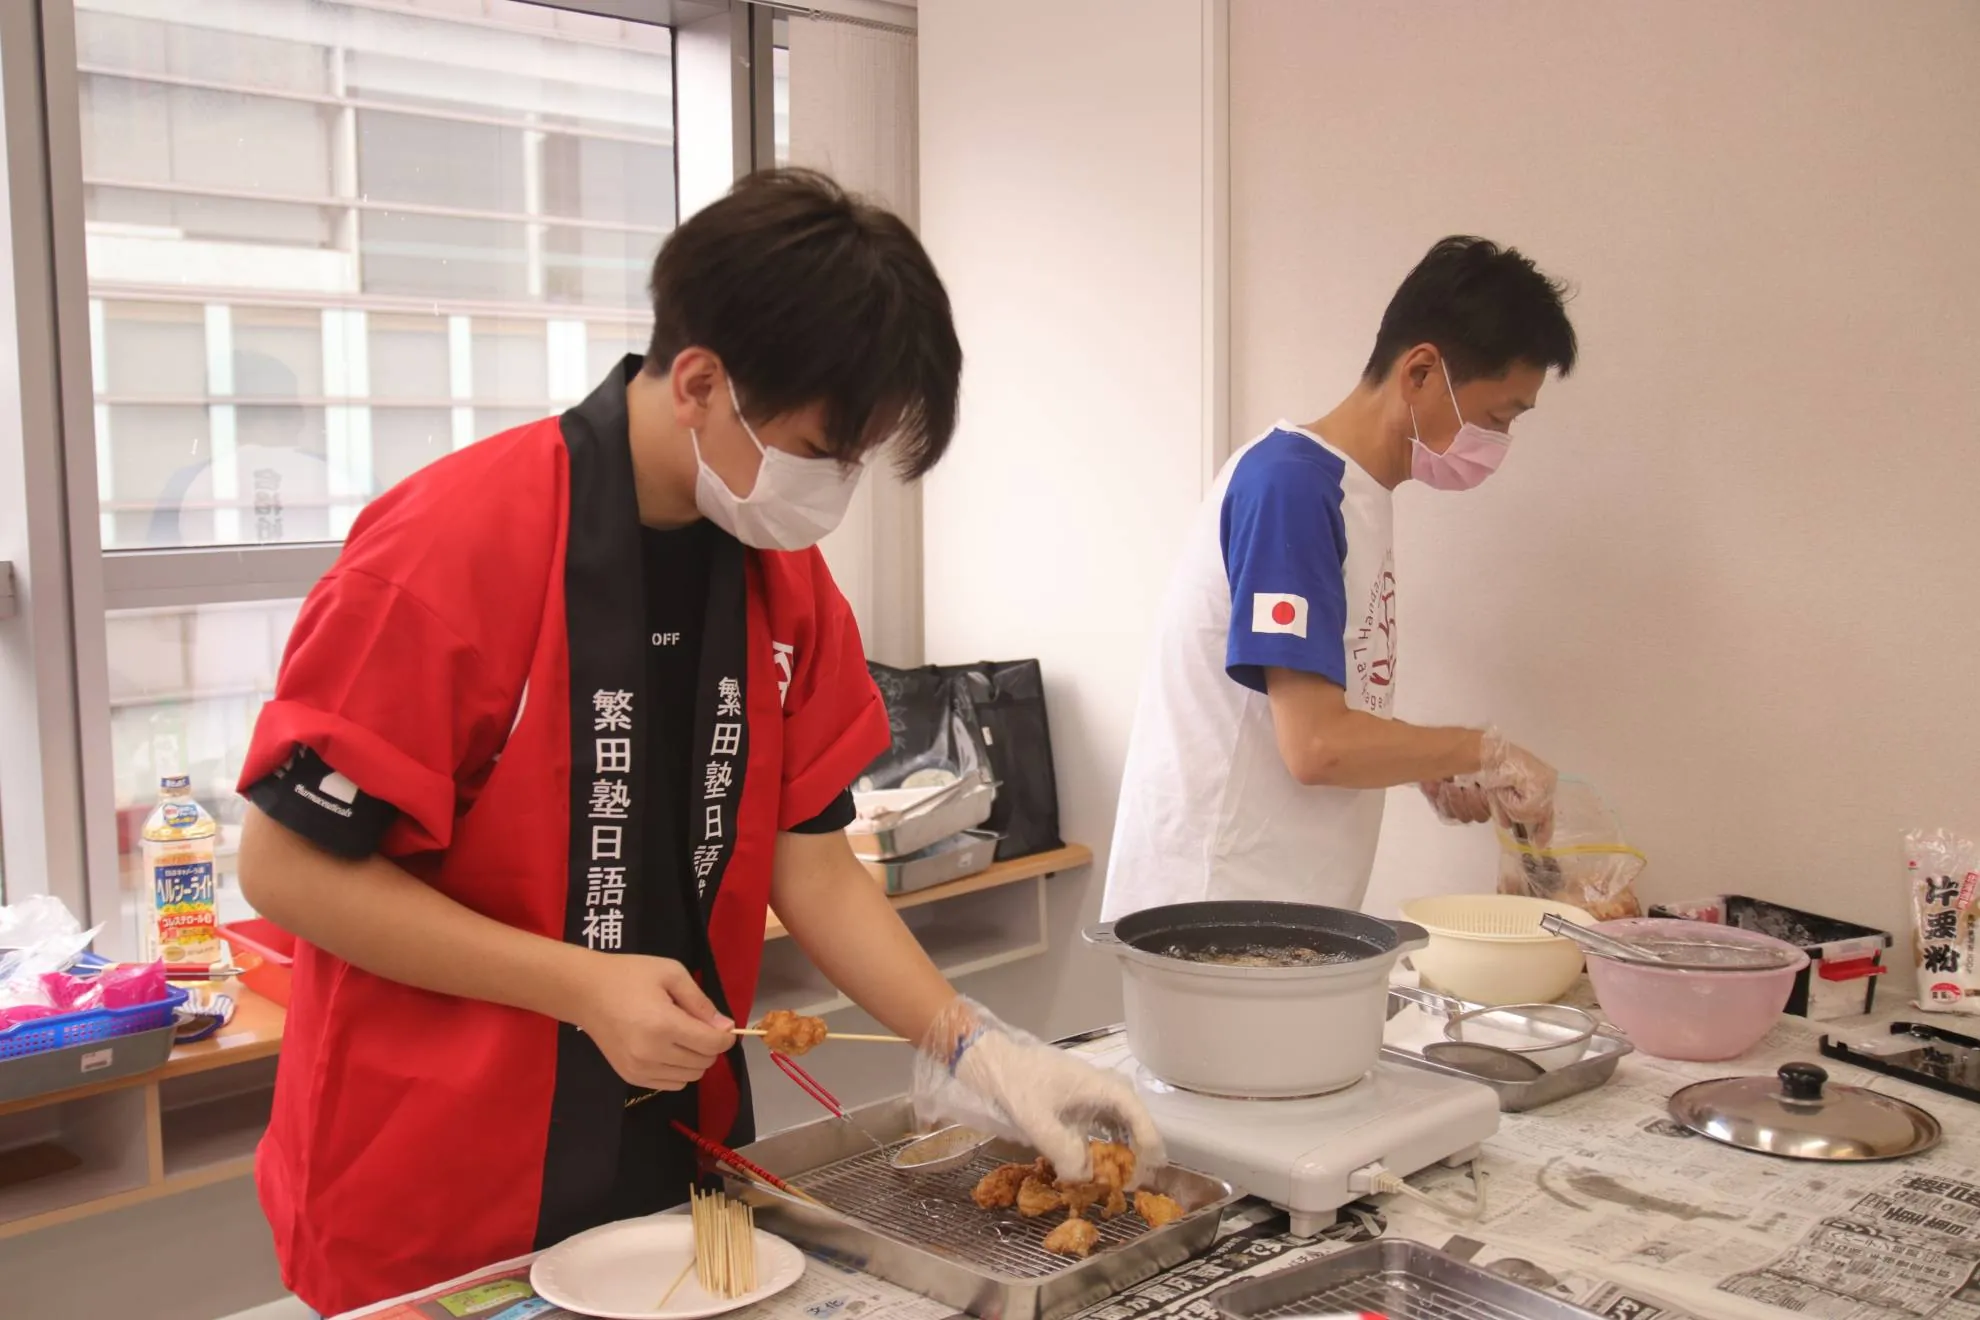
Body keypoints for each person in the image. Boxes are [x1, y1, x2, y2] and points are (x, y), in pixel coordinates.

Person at [234, 169, 1161, 1318]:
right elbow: (284, 866)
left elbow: (812, 861)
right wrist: (579, 986)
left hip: (678, 1166)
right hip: (440, 1183)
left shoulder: (784, 579)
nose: (836, 489)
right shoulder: (452, 547)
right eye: (826, 448)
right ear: (701, 382)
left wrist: (978, 1049)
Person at [1101, 236, 1578, 921]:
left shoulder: (1355, 496)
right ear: (1420, 372)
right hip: (1213, 908)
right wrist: (1484, 750)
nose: (1498, 442)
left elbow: (1324, 720)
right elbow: (1316, 747)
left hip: (1276, 904)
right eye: (1497, 416)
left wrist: (1425, 763)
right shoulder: (1294, 487)